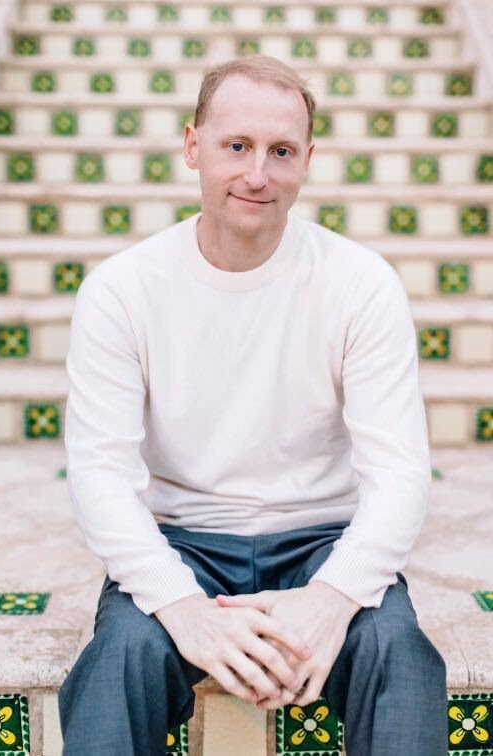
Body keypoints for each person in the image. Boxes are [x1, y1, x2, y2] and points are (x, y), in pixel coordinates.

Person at [58, 55, 449, 755]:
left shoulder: (361, 284)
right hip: (185, 539)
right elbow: (98, 475)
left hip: (322, 536)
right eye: (236, 146)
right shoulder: (122, 291)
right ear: (192, 146)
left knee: (401, 655)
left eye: (281, 151)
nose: (258, 174)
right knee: (118, 660)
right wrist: (181, 607)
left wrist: (332, 600)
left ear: (308, 160)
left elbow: (400, 474)